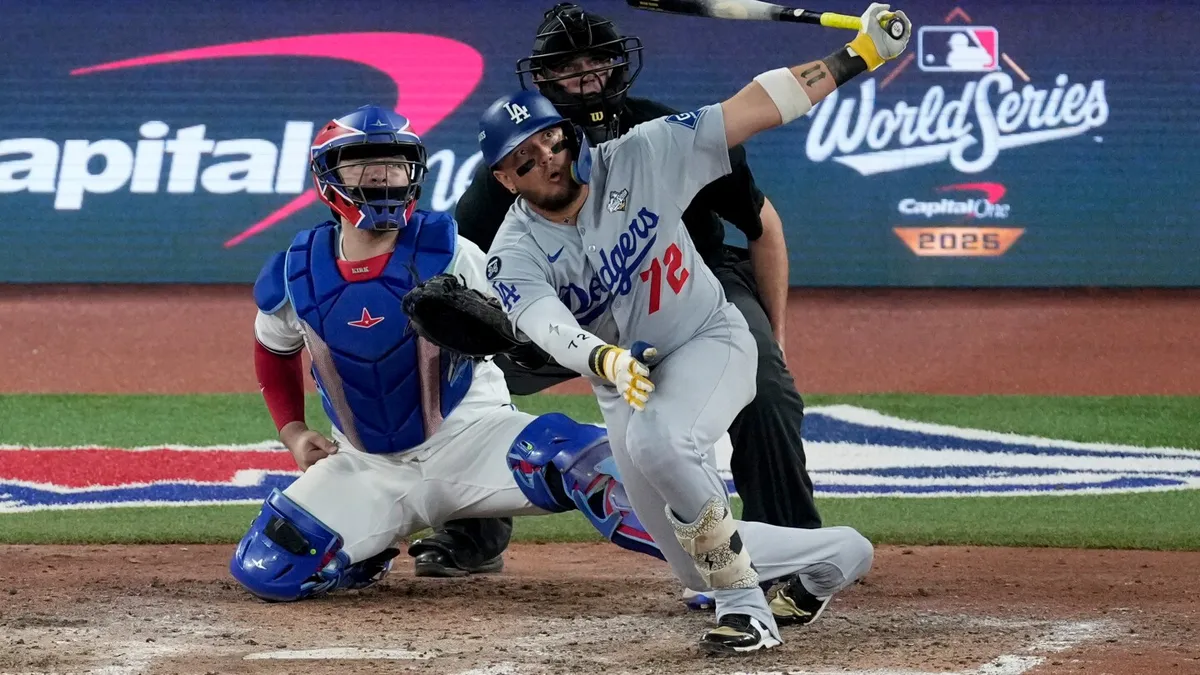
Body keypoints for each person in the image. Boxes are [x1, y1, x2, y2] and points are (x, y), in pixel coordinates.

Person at [476, 3, 910, 654]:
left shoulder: (647, 147)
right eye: (525, 157)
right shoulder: (510, 245)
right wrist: (602, 360)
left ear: (569, 141)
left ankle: (746, 610)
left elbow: (759, 104)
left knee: (663, 440)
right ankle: (836, 554)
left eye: (551, 143)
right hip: (621, 370)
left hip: (706, 332)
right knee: (686, 555)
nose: (548, 159)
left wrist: (860, 56)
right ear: (504, 178)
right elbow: (545, 325)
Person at [410, 3, 823, 607]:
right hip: (579, 315)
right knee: (459, 367)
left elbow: (762, 225)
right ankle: (472, 528)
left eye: (595, 57)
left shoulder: (659, 130)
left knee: (764, 382)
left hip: (693, 283)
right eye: (566, 63)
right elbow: (462, 280)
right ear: (543, 80)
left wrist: (774, 344)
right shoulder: (509, 172)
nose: (584, 72)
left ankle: (793, 552)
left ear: (617, 62)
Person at [229, 104, 664, 604]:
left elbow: (532, 324)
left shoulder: (454, 252)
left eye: (396, 164)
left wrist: (529, 341)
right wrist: (293, 431)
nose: (383, 176)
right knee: (268, 567)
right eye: (364, 165)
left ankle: (723, 569)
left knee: (594, 465)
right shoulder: (295, 272)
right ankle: (366, 548)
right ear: (330, 177)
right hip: (367, 466)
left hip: (473, 440)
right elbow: (273, 351)